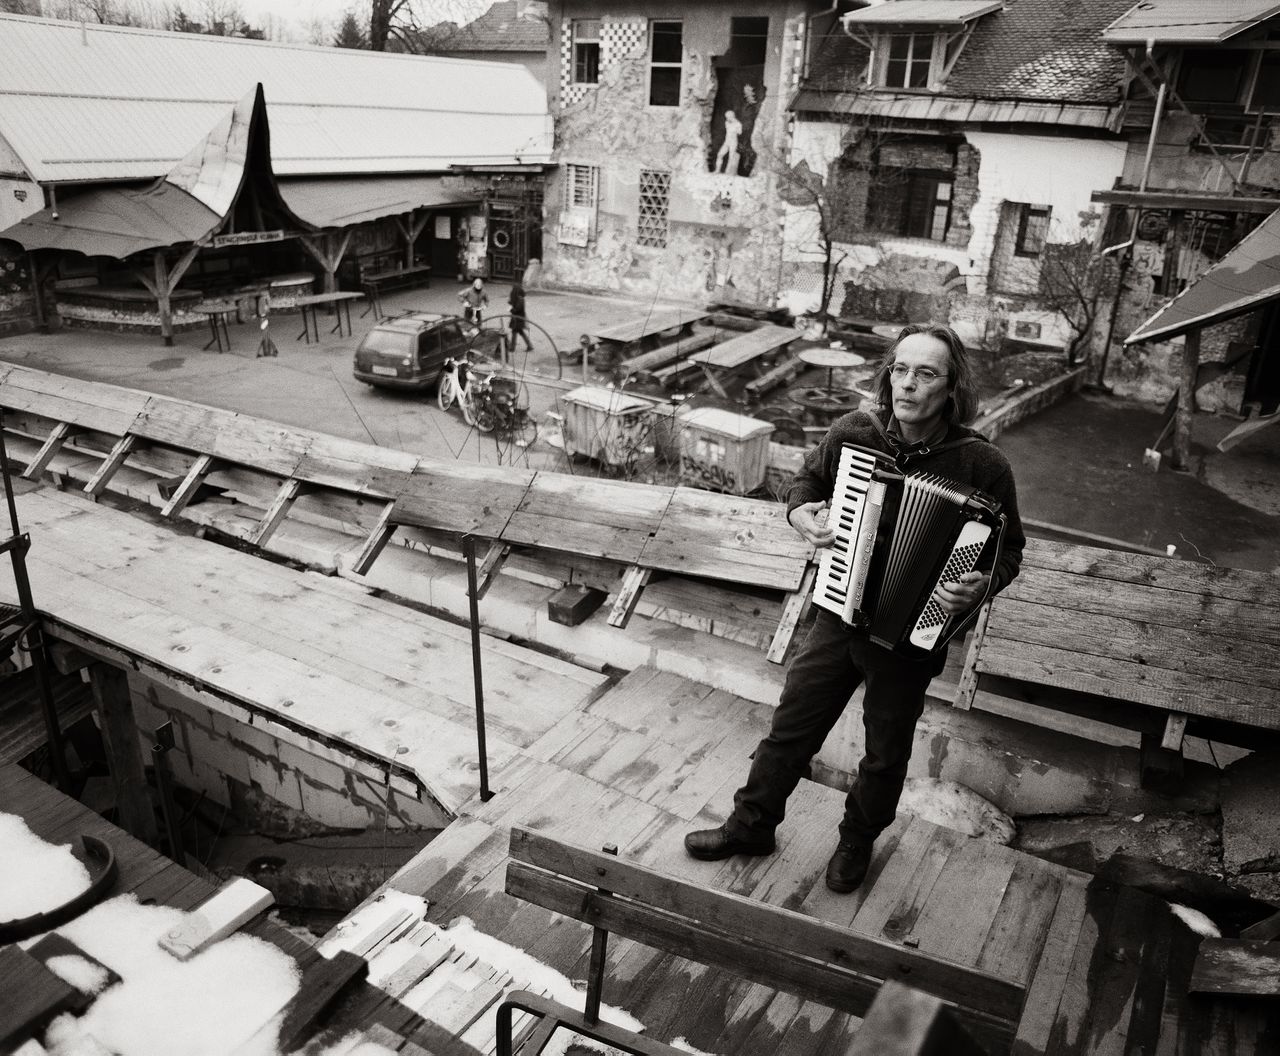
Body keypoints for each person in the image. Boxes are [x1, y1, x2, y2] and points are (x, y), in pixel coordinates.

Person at [684, 324, 1025, 893]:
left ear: (952, 388)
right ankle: (751, 827)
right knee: (789, 730)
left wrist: (981, 583)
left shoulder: (981, 465)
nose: (907, 384)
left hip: (910, 639)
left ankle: (855, 844)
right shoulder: (853, 433)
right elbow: (803, 485)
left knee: (884, 756)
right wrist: (800, 516)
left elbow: (1009, 551)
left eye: (925, 373)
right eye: (900, 369)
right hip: (837, 614)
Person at [507, 283, 534, 353]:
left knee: (514, 332)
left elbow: (517, 309)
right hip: (517, 318)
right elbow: (513, 303)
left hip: (518, 319)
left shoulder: (520, 299)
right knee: (520, 332)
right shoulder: (518, 298)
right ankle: (529, 345)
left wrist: (511, 309)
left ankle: (512, 348)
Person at [715, 110, 742, 175]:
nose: (727, 118)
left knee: (731, 157)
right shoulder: (726, 122)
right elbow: (727, 129)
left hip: (733, 142)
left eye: (728, 117)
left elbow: (740, 132)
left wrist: (735, 129)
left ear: (732, 116)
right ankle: (717, 170)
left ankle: (728, 172)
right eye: (726, 117)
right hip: (726, 142)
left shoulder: (738, 124)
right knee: (720, 154)